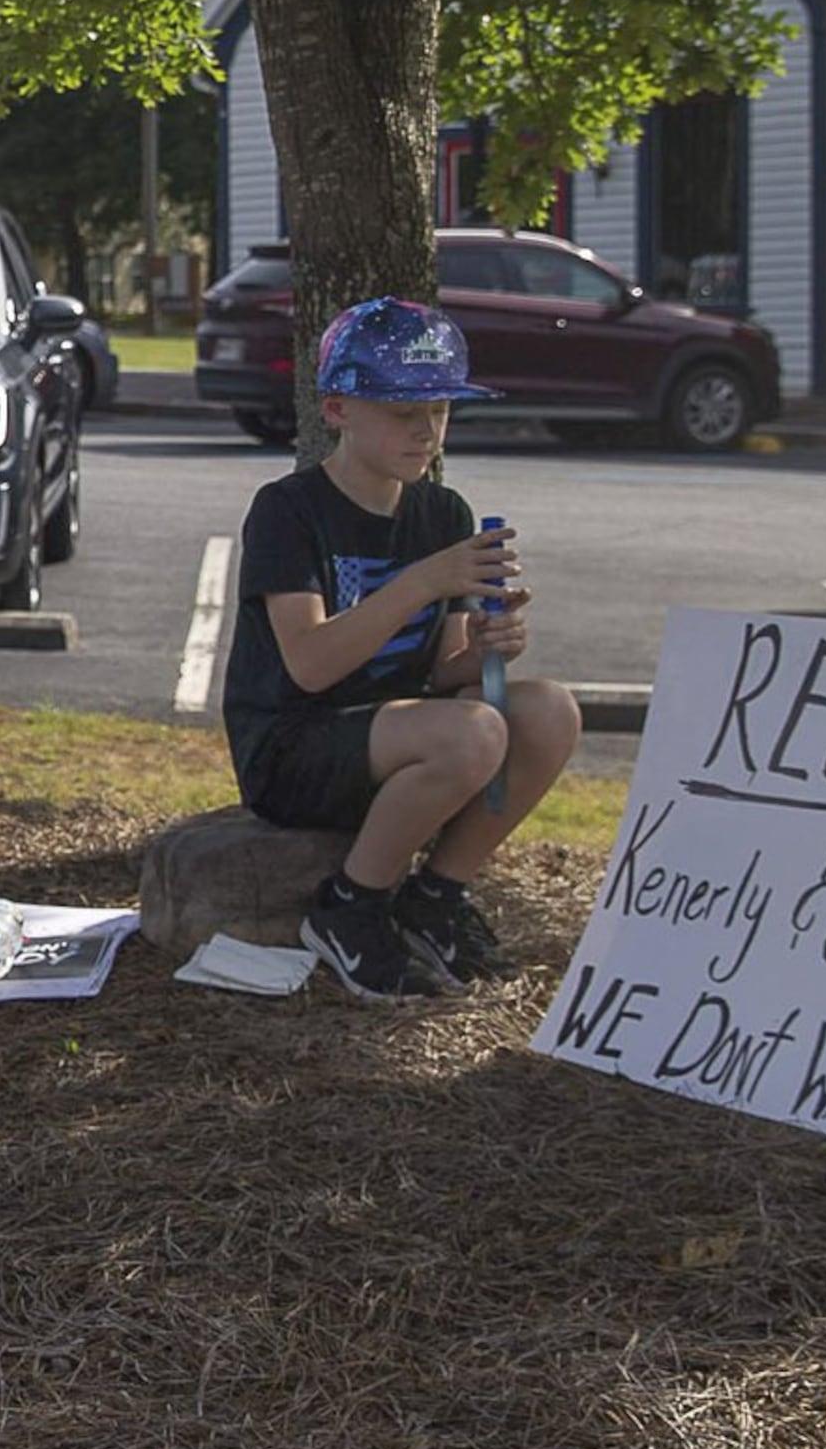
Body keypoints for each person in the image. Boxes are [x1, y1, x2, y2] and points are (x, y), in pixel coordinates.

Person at [219, 296, 580, 1001]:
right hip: (294, 748)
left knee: (550, 711)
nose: (426, 431)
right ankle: (350, 906)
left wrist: (489, 647)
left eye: (440, 410)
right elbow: (310, 663)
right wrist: (425, 581)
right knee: (473, 732)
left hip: (402, 731)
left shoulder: (443, 512)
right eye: (402, 412)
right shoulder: (287, 510)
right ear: (337, 410)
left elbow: (444, 671)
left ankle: (435, 899)